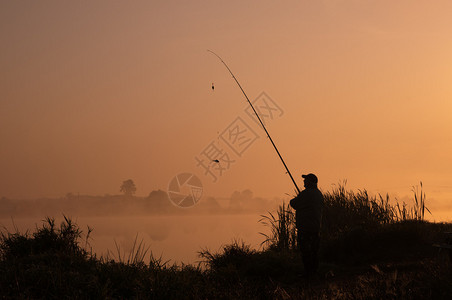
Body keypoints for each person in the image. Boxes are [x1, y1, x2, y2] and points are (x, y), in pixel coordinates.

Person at [290, 173, 324, 278]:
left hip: (305, 228)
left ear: (310, 182)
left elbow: (294, 203)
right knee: (314, 251)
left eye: (305, 180)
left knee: (306, 252)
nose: (304, 182)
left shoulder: (305, 194)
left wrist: (297, 197)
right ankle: (314, 272)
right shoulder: (319, 194)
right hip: (316, 227)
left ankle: (308, 274)